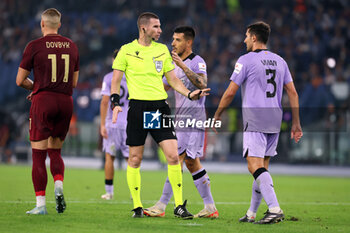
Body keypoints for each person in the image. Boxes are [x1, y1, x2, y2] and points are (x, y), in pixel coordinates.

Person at [110, 12, 210, 218]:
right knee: (135, 159)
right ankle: (137, 206)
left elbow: (173, 80)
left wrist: (189, 93)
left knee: (173, 156)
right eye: (156, 26)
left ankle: (178, 205)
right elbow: (116, 79)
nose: (160, 30)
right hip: (137, 109)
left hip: (158, 109)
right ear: (144, 28)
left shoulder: (162, 50)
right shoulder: (127, 51)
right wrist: (115, 102)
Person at [213, 21, 302, 224]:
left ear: (254, 37)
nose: (244, 39)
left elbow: (230, 92)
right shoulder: (280, 61)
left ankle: (274, 208)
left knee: (254, 166)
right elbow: (293, 93)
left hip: (255, 119)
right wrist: (296, 122)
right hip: (275, 119)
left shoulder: (245, 60)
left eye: (246, 35)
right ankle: (252, 213)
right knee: (262, 168)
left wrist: (217, 114)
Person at [144, 26, 218, 218]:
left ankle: (161, 205)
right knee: (192, 163)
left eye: (177, 40)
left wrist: (183, 66)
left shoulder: (197, 61)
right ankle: (210, 207)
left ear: (188, 42)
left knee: (176, 160)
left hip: (193, 118)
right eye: (173, 39)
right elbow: (166, 85)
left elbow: (202, 84)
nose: (173, 43)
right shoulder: (172, 63)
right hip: (181, 118)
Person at [16, 8, 79, 215]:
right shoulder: (72, 45)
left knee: (38, 155)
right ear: (59, 24)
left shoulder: (34, 46)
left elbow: (19, 80)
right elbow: (75, 82)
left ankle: (41, 205)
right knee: (55, 151)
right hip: (65, 101)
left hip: (43, 101)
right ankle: (58, 185)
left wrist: (36, 88)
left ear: (42, 24)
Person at [100, 49, 129, 200]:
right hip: (129, 124)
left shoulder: (109, 77)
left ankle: (109, 192)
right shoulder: (132, 77)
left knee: (109, 157)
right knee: (131, 158)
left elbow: (105, 101)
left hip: (113, 123)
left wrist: (102, 124)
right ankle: (134, 192)